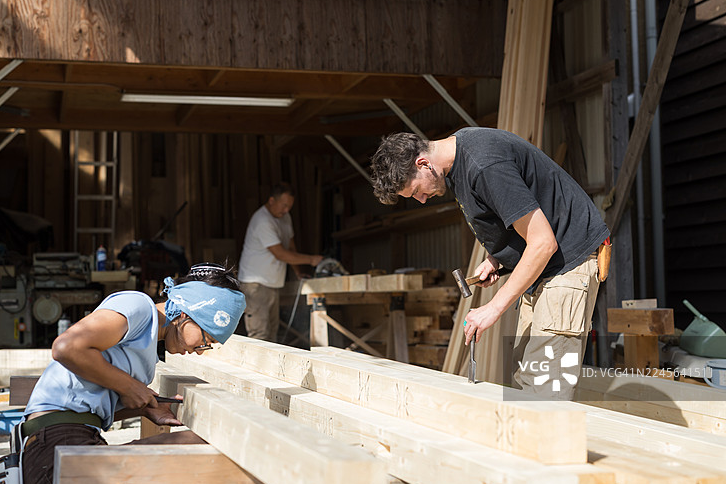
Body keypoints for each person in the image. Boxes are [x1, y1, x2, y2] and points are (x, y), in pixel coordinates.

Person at [370, 128, 610, 400]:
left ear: (423, 164)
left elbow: (543, 242)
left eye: (415, 191)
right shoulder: (456, 162)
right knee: (525, 377)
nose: (421, 199)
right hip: (544, 268)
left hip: (567, 263)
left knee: (545, 390)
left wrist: (492, 309)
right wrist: (497, 258)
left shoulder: (484, 165)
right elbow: (514, 216)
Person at [21, 263, 246, 484]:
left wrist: (143, 408)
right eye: (206, 339)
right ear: (186, 314)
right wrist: (128, 387)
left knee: (204, 481)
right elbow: (66, 348)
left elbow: (86, 404)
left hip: (68, 448)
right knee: (206, 456)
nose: (200, 351)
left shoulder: (146, 349)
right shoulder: (138, 306)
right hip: (53, 456)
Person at [238, 182, 323, 342]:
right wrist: (311, 259)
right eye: (284, 205)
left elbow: (290, 247)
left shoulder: (285, 217)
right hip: (255, 284)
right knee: (259, 334)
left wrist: (298, 272)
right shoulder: (262, 220)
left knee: (272, 334)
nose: (286, 210)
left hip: (273, 282)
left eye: (289, 206)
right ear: (272, 201)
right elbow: (280, 253)